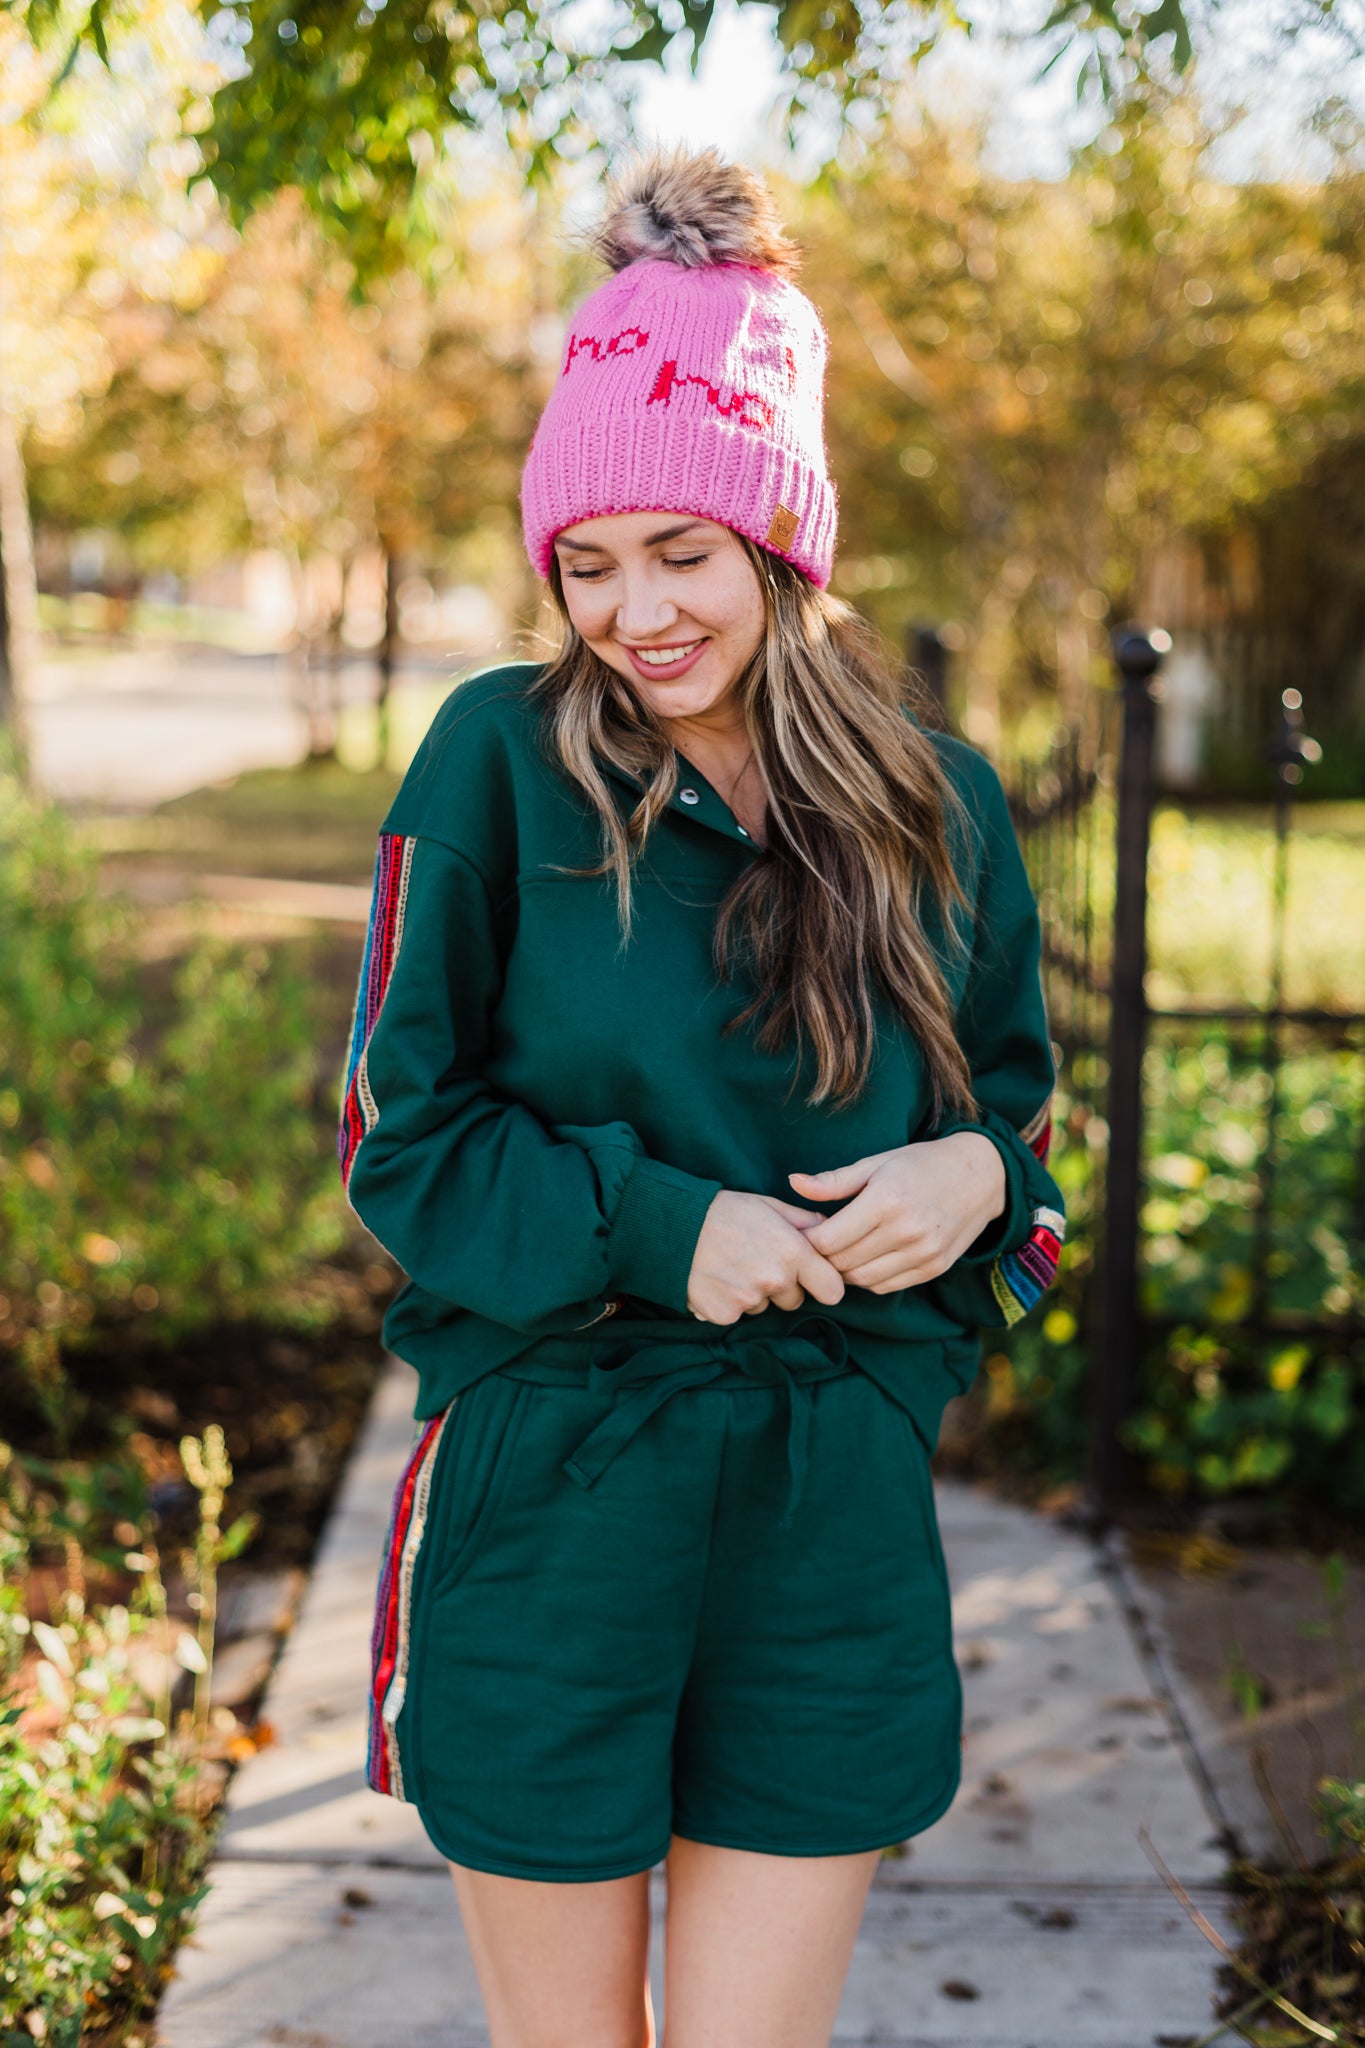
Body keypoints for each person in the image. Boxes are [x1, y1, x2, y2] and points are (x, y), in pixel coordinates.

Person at [338, 145, 1065, 2048]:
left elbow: (1026, 1125)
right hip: (559, 1492)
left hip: (824, 1508)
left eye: (681, 554)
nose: (632, 613)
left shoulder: (938, 802)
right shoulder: (497, 763)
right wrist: (664, 1228)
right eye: (585, 562)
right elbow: (395, 1136)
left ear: (782, 546)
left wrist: (979, 1185)